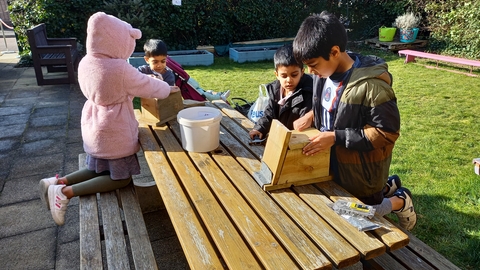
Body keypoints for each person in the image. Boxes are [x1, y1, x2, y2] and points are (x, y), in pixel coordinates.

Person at [38, 12, 180, 226]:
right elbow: (147, 86)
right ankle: (65, 192)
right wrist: (167, 88)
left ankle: (56, 181)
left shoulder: (87, 61)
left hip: (94, 122)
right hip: (115, 128)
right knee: (121, 178)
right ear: (116, 39)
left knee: (98, 167)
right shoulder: (119, 68)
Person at [292, 11, 416, 230]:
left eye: (313, 64)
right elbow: (335, 106)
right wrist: (311, 115)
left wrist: (336, 137)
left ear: (334, 52)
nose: (309, 72)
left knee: (362, 216)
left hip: (362, 175)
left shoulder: (372, 86)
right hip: (333, 167)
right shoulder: (323, 75)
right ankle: (390, 186)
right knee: (340, 214)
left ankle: (400, 201)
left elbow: (386, 132)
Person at [249, 44, 313, 140]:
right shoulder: (275, 90)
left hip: (297, 141)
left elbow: (303, 124)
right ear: (277, 75)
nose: (289, 80)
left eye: (294, 75)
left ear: (302, 72)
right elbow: (269, 114)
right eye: (284, 76)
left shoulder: (308, 91)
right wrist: (260, 128)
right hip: (279, 138)